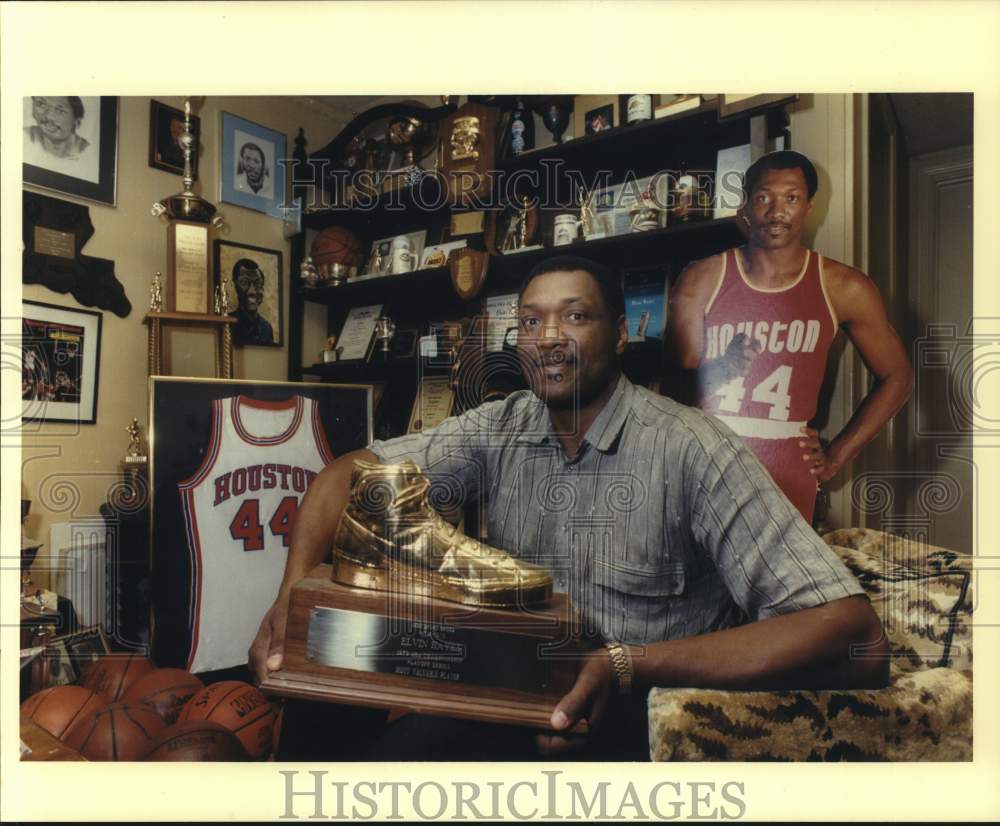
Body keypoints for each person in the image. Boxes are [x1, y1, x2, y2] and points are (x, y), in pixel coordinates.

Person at [249, 254, 888, 761]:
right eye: (530, 321)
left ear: (620, 331)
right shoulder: (501, 426)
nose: (548, 338)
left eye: (575, 316)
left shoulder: (693, 447)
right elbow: (348, 476)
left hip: (632, 713)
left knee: (411, 753)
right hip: (509, 693)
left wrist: (624, 665)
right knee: (318, 674)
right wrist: (289, 599)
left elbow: (849, 630)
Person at [664, 150, 913, 522]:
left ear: (809, 206)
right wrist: (723, 365)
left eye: (792, 198)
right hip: (707, 458)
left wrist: (835, 456)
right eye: (764, 197)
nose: (777, 210)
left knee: (776, 580)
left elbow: (898, 375)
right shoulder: (702, 277)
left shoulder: (844, 287)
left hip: (785, 465)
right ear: (745, 206)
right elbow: (674, 384)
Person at [24, 96, 90, 159]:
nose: (49, 116)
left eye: (60, 111)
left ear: (77, 122)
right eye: (41, 104)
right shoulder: (24, 135)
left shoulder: (86, 152)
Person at [229, 258, 274, 345]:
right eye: (245, 283)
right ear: (234, 285)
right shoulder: (227, 324)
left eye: (258, 284)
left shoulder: (266, 328)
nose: (252, 291)